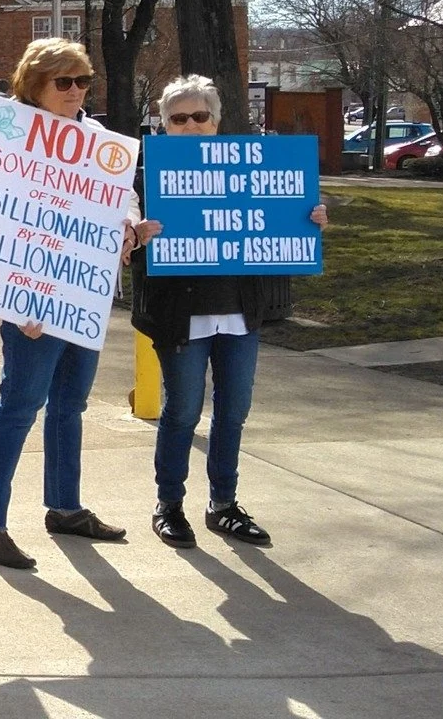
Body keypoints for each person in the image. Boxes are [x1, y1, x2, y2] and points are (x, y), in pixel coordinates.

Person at [125, 75, 327, 549]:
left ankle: (224, 504)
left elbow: (282, 218)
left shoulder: (254, 169)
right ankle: (169, 505)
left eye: (201, 116)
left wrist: (310, 217)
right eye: (179, 118)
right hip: (179, 314)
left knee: (233, 412)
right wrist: (136, 234)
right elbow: (122, 232)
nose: (191, 126)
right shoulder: (143, 175)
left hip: (239, 311)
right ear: (163, 123)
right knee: (182, 412)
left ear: (216, 122)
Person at [0, 38, 126, 571]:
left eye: (83, 81)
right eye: (64, 82)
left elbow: (117, 205)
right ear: (34, 86)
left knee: (70, 405)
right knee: (18, 406)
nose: (76, 91)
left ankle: (65, 506)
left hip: (85, 296)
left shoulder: (99, 139)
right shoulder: (13, 141)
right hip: (31, 304)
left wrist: (129, 230)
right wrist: (17, 301)